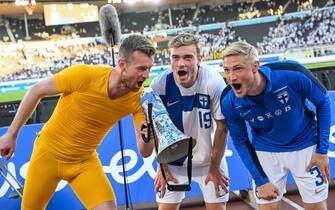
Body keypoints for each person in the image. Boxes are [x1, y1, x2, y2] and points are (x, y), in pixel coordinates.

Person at [0, 34, 155, 210]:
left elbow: (145, 152)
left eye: (149, 68)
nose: (146, 75)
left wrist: (148, 135)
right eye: (141, 68)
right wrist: (11, 135)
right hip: (48, 154)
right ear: (122, 64)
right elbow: (36, 91)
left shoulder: (140, 99)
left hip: (83, 162)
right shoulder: (84, 75)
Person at [220, 41, 331, 210]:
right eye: (227, 70)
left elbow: (323, 101)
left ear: (255, 66)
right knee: (268, 208)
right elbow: (240, 141)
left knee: (316, 208)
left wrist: (322, 151)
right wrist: (260, 180)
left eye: (238, 69)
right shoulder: (229, 100)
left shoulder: (291, 74)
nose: (231, 77)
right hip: (266, 151)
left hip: (305, 144)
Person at [149, 33, 229, 210]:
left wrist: (215, 167)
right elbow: (155, 130)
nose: (181, 63)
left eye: (187, 57)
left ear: (199, 59)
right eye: (175, 58)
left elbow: (222, 127)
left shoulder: (213, 82)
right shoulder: (159, 85)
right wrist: (163, 168)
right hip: (173, 161)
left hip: (210, 161)